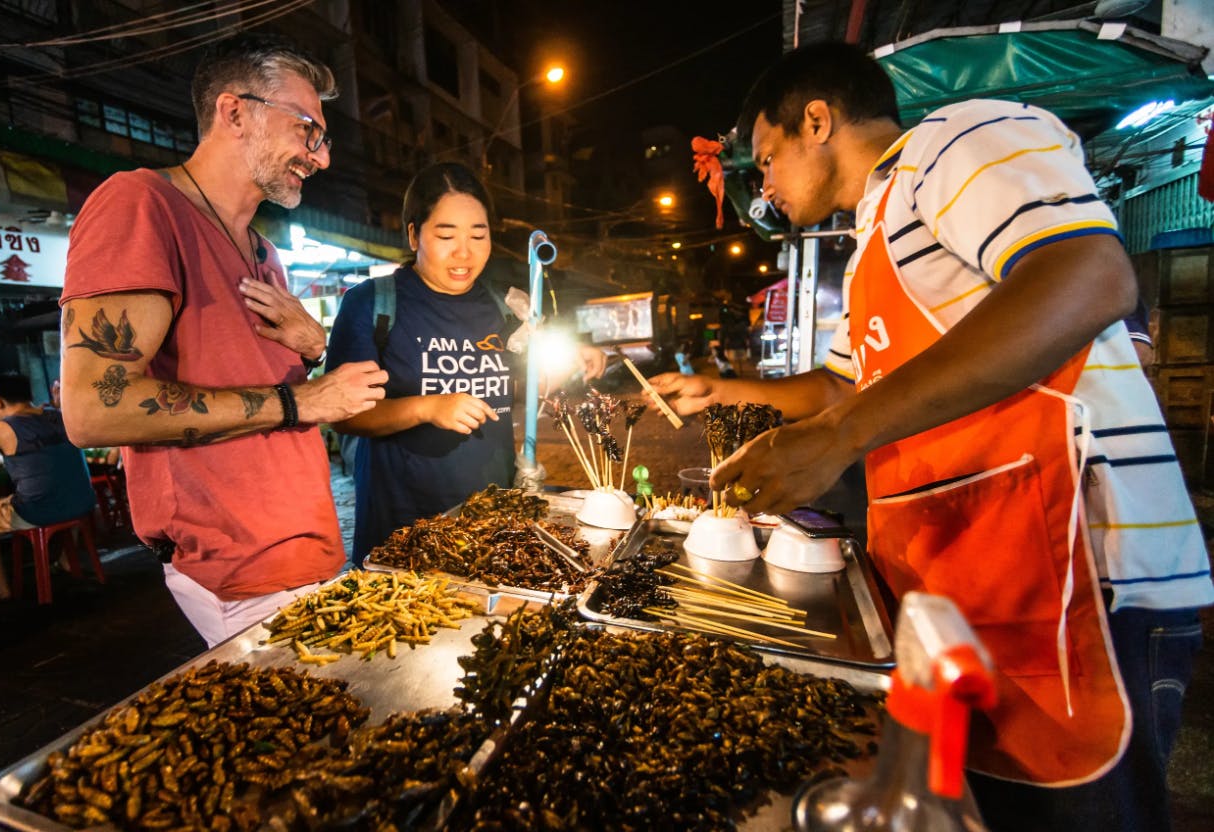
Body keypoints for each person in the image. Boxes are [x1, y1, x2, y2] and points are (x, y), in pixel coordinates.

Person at [650, 42, 1211, 832]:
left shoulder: (958, 139)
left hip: (1083, 575)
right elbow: (845, 387)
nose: (764, 186)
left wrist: (839, 436)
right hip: (973, 584)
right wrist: (726, 389)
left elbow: (1089, 276)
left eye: (768, 158)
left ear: (818, 121)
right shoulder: (870, 242)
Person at [59, 34, 388, 647]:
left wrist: (315, 348)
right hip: (237, 571)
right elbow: (93, 408)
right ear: (234, 112)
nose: (319, 158)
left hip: (307, 553)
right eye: (307, 130)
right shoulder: (140, 204)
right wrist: (299, 400)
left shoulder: (265, 253)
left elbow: (272, 383)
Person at [325, 162, 605, 565]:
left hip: (491, 523)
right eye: (446, 235)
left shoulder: (505, 307)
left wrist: (566, 365)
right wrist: (428, 407)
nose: (464, 252)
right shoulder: (372, 303)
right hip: (402, 528)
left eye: (478, 235)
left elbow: (523, 391)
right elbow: (344, 416)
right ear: (413, 234)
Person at [0, 373, 96, 601]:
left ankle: (1, 588)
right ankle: (65, 561)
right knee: (57, 488)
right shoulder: (59, 416)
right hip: (83, 502)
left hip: (39, 511)